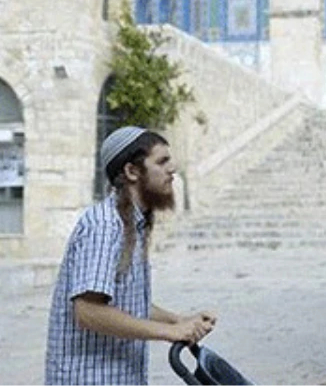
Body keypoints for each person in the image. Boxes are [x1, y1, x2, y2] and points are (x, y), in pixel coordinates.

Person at [45, 126, 218, 385]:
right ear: (131, 171)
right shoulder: (104, 225)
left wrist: (179, 320)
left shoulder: (131, 224)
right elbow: (88, 311)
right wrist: (169, 332)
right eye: (162, 161)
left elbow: (126, 304)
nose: (172, 169)